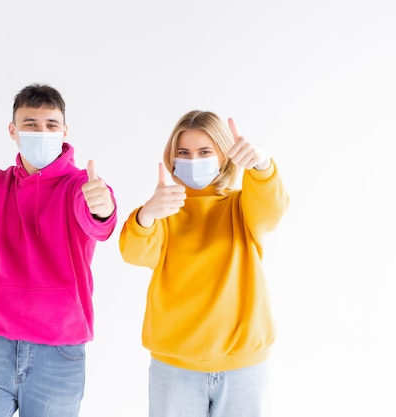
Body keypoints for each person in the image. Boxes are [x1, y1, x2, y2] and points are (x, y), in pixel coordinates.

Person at [0, 83, 117, 417]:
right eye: (30, 124)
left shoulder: (80, 186)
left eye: (50, 125)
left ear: (64, 131)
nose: (41, 132)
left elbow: (99, 223)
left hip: (58, 353)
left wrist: (102, 207)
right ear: (13, 131)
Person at [119, 110, 290, 417]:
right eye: (183, 152)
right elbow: (134, 253)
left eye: (204, 152)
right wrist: (146, 214)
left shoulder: (242, 206)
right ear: (172, 157)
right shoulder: (164, 211)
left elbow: (272, 208)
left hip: (244, 368)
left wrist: (262, 165)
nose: (193, 160)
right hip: (175, 368)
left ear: (224, 156)